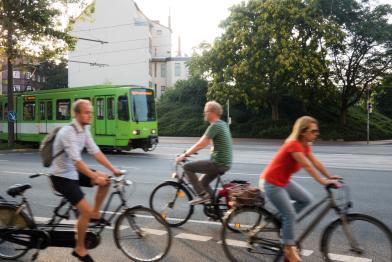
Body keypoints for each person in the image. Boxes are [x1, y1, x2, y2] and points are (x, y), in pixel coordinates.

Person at [259, 116, 341, 262]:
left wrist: (330, 176)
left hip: (283, 181)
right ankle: (289, 250)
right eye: (314, 131)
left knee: (306, 199)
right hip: (271, 183)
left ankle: (281, 219)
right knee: (290, 215)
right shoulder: (293, 145)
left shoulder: (304, 145)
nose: (317, 134)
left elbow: (315, 162)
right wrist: (323, 181)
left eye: (317, 131)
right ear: (303, 132)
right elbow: (307, 166)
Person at [50, 99, 122, 262]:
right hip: (61, 177)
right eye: (87, 112)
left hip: (73, 172)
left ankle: (95, 214)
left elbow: (95, 152)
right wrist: (94, 176)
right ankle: (80, 248)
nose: (91, 115)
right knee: (85, 211)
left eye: (91, 112)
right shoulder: (68, 132)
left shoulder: (84, 130)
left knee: (107, 180)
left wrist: (112, 169)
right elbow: (77, 161)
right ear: (76, 114)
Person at [176, 101, 233, 205]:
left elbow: (201, 144)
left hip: (218, 163)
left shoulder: (215, 126)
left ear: (212, 112)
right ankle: (215, 207)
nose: (204, 114)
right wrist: (190, 151)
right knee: (203, 183)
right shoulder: (223, 124)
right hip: (225, 163)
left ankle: (202, 196)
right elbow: (205, 144)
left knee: (187, 167)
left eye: (206, 112)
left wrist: (184, 155)